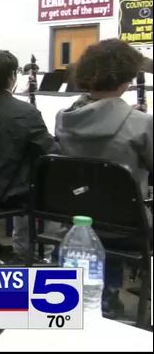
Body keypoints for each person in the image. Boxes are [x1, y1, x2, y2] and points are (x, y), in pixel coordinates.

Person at [55, 39, 152, 318]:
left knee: (102, 202)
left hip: (76, 217)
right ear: (125, 80)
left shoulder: (64, 118)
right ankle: (111, 294)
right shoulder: (141, 123)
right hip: (128, 226)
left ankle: (106, 291)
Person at [0, 50, 60, 257]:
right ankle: (43, 254)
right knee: (51, 181)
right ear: (12, 77)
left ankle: (22, 248)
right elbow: (50, 153)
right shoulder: (26, 112)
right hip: (6, 194)